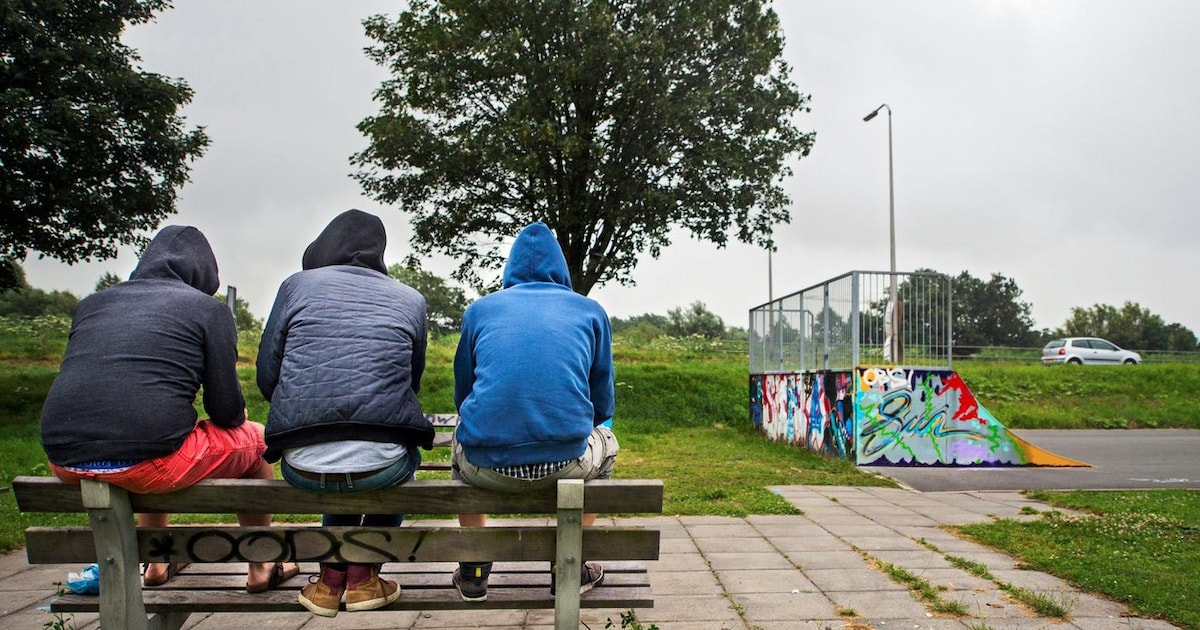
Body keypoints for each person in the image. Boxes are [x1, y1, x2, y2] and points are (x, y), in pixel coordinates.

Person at [39, 225, 298, 592]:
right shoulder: (209, 310)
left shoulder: (92, 304)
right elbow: (226, 411)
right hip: (151, 463)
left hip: (65, 459)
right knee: (255, 441)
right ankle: (262, 562)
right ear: (204, 273)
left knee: (156, 434)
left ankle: (157, 563)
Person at [257, 209, 434, 617]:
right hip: (383, 467)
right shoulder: (410, 298)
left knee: (334, 458)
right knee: (398, 459)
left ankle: (329, 580)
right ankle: (363, 573)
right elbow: (411, 383)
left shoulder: (295, 287)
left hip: (301, 463)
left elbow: (268, 376)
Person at [450, 221, 618, 602]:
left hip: (485, 467)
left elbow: (462, 395)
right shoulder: (591, 312)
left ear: (509, 268)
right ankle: (567, 564)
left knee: (458, 451)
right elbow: (603, 404)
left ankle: (474, 569)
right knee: (609, 444)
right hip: (567, 463)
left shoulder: (480, 311)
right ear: (561, 267)